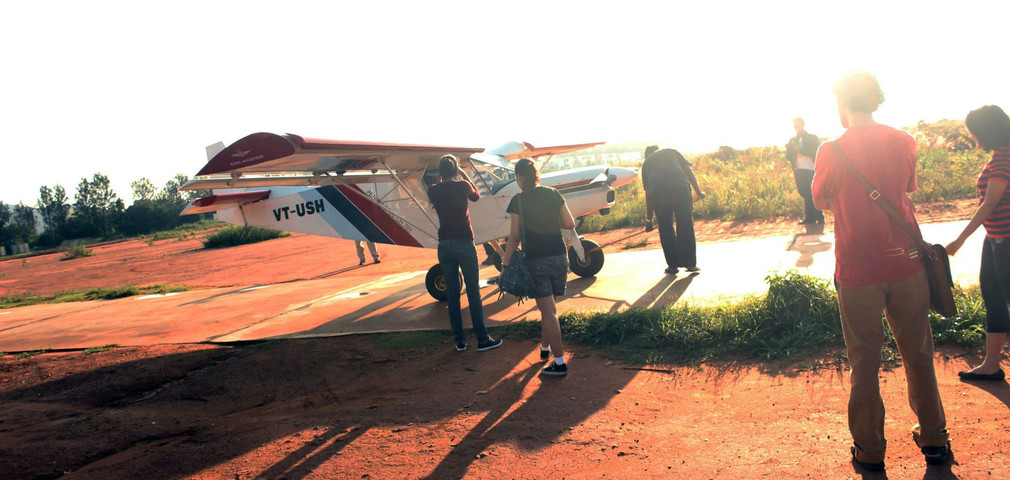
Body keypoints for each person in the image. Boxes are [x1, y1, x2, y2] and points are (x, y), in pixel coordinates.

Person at [811, 71, 950, 471]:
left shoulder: (831, 149)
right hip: (907, 265)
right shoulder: (903, 140)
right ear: (876, 99)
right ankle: (934, 438)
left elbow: (820, 199)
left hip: (857, 270)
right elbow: (906, 186)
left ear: (841, 103)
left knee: (865, 361)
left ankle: (870, 449)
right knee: (918, 353)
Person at [946, 105, 1010, 381]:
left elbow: (989, 204)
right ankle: (991, 365)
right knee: (993, 299)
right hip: (994, 238)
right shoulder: (999, 154)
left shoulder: (1005, 157)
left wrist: (960, 239)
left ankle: (991, 364)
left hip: (1006, 240)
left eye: (974, 133)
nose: (973, 138)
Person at [502, 158, 576, 376]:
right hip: (559, 257)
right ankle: (545, 349)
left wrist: (505, 264)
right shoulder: (553, 193)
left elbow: (514, 237)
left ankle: (560, 362)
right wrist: (553, 224)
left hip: (536, 260)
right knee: (549, 308)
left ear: (519, 177)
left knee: (548, 312)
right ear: (535, 174)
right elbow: (570, 223)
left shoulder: (518, 201)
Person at [427, 155, 502, 353]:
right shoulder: (463, 186)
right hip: (464, 242)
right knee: (473, 291)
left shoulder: (433, 190)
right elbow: (476, 196)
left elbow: (434, 192)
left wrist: (442, 177)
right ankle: (482, 339)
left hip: (444, 244)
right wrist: (463, 175)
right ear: (456, 170)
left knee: (452, 294)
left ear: (440, 171)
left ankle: (460, 341)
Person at [641, 147, 705, 274]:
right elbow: (688, 172)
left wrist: (649, 219)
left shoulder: (646, 163)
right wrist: (699, 192)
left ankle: (673, 266)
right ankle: (690, 264)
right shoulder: (671, 152)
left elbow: (649, 194)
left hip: (659, 195)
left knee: (665, 228)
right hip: (680, 190)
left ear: (647, 154)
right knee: (685, 225)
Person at [786, 117, 825, 224]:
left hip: (811, 168)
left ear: (803, 125)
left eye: (797, 126)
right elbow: (789, 156)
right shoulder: (792, 140)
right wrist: (790, 150)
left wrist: (800, 150)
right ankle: (810, 217)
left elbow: (816, 152)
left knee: (813, 193)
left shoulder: (812, 138)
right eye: (794, 126)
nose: (796, 128)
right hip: (798, 169)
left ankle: (819, 217)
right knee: (804, 193)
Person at [642, 145, 659, 232]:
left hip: (662, 203)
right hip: (682, 196)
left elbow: (649, 196)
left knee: (666, 226)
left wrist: (649, 220)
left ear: (648, 154)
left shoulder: (647, 166)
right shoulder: (669, 160)